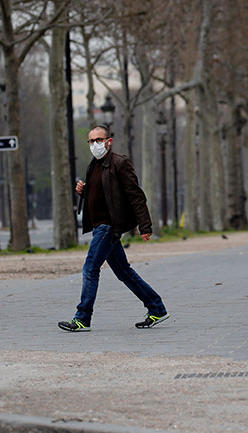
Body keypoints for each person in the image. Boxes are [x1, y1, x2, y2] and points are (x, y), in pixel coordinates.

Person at [58, 125, 169, 332]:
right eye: (91, 141)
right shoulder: (94, 165)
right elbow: (101, 195)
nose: (94, 145)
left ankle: (82, 317)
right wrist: (84, 192)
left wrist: (145, 225)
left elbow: (136, 196)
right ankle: (157, 308)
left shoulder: (120, 163)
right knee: (124, 272)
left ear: (109, 141)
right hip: (100, 225)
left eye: (98, 140)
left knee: (90, 268)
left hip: (109, 227)